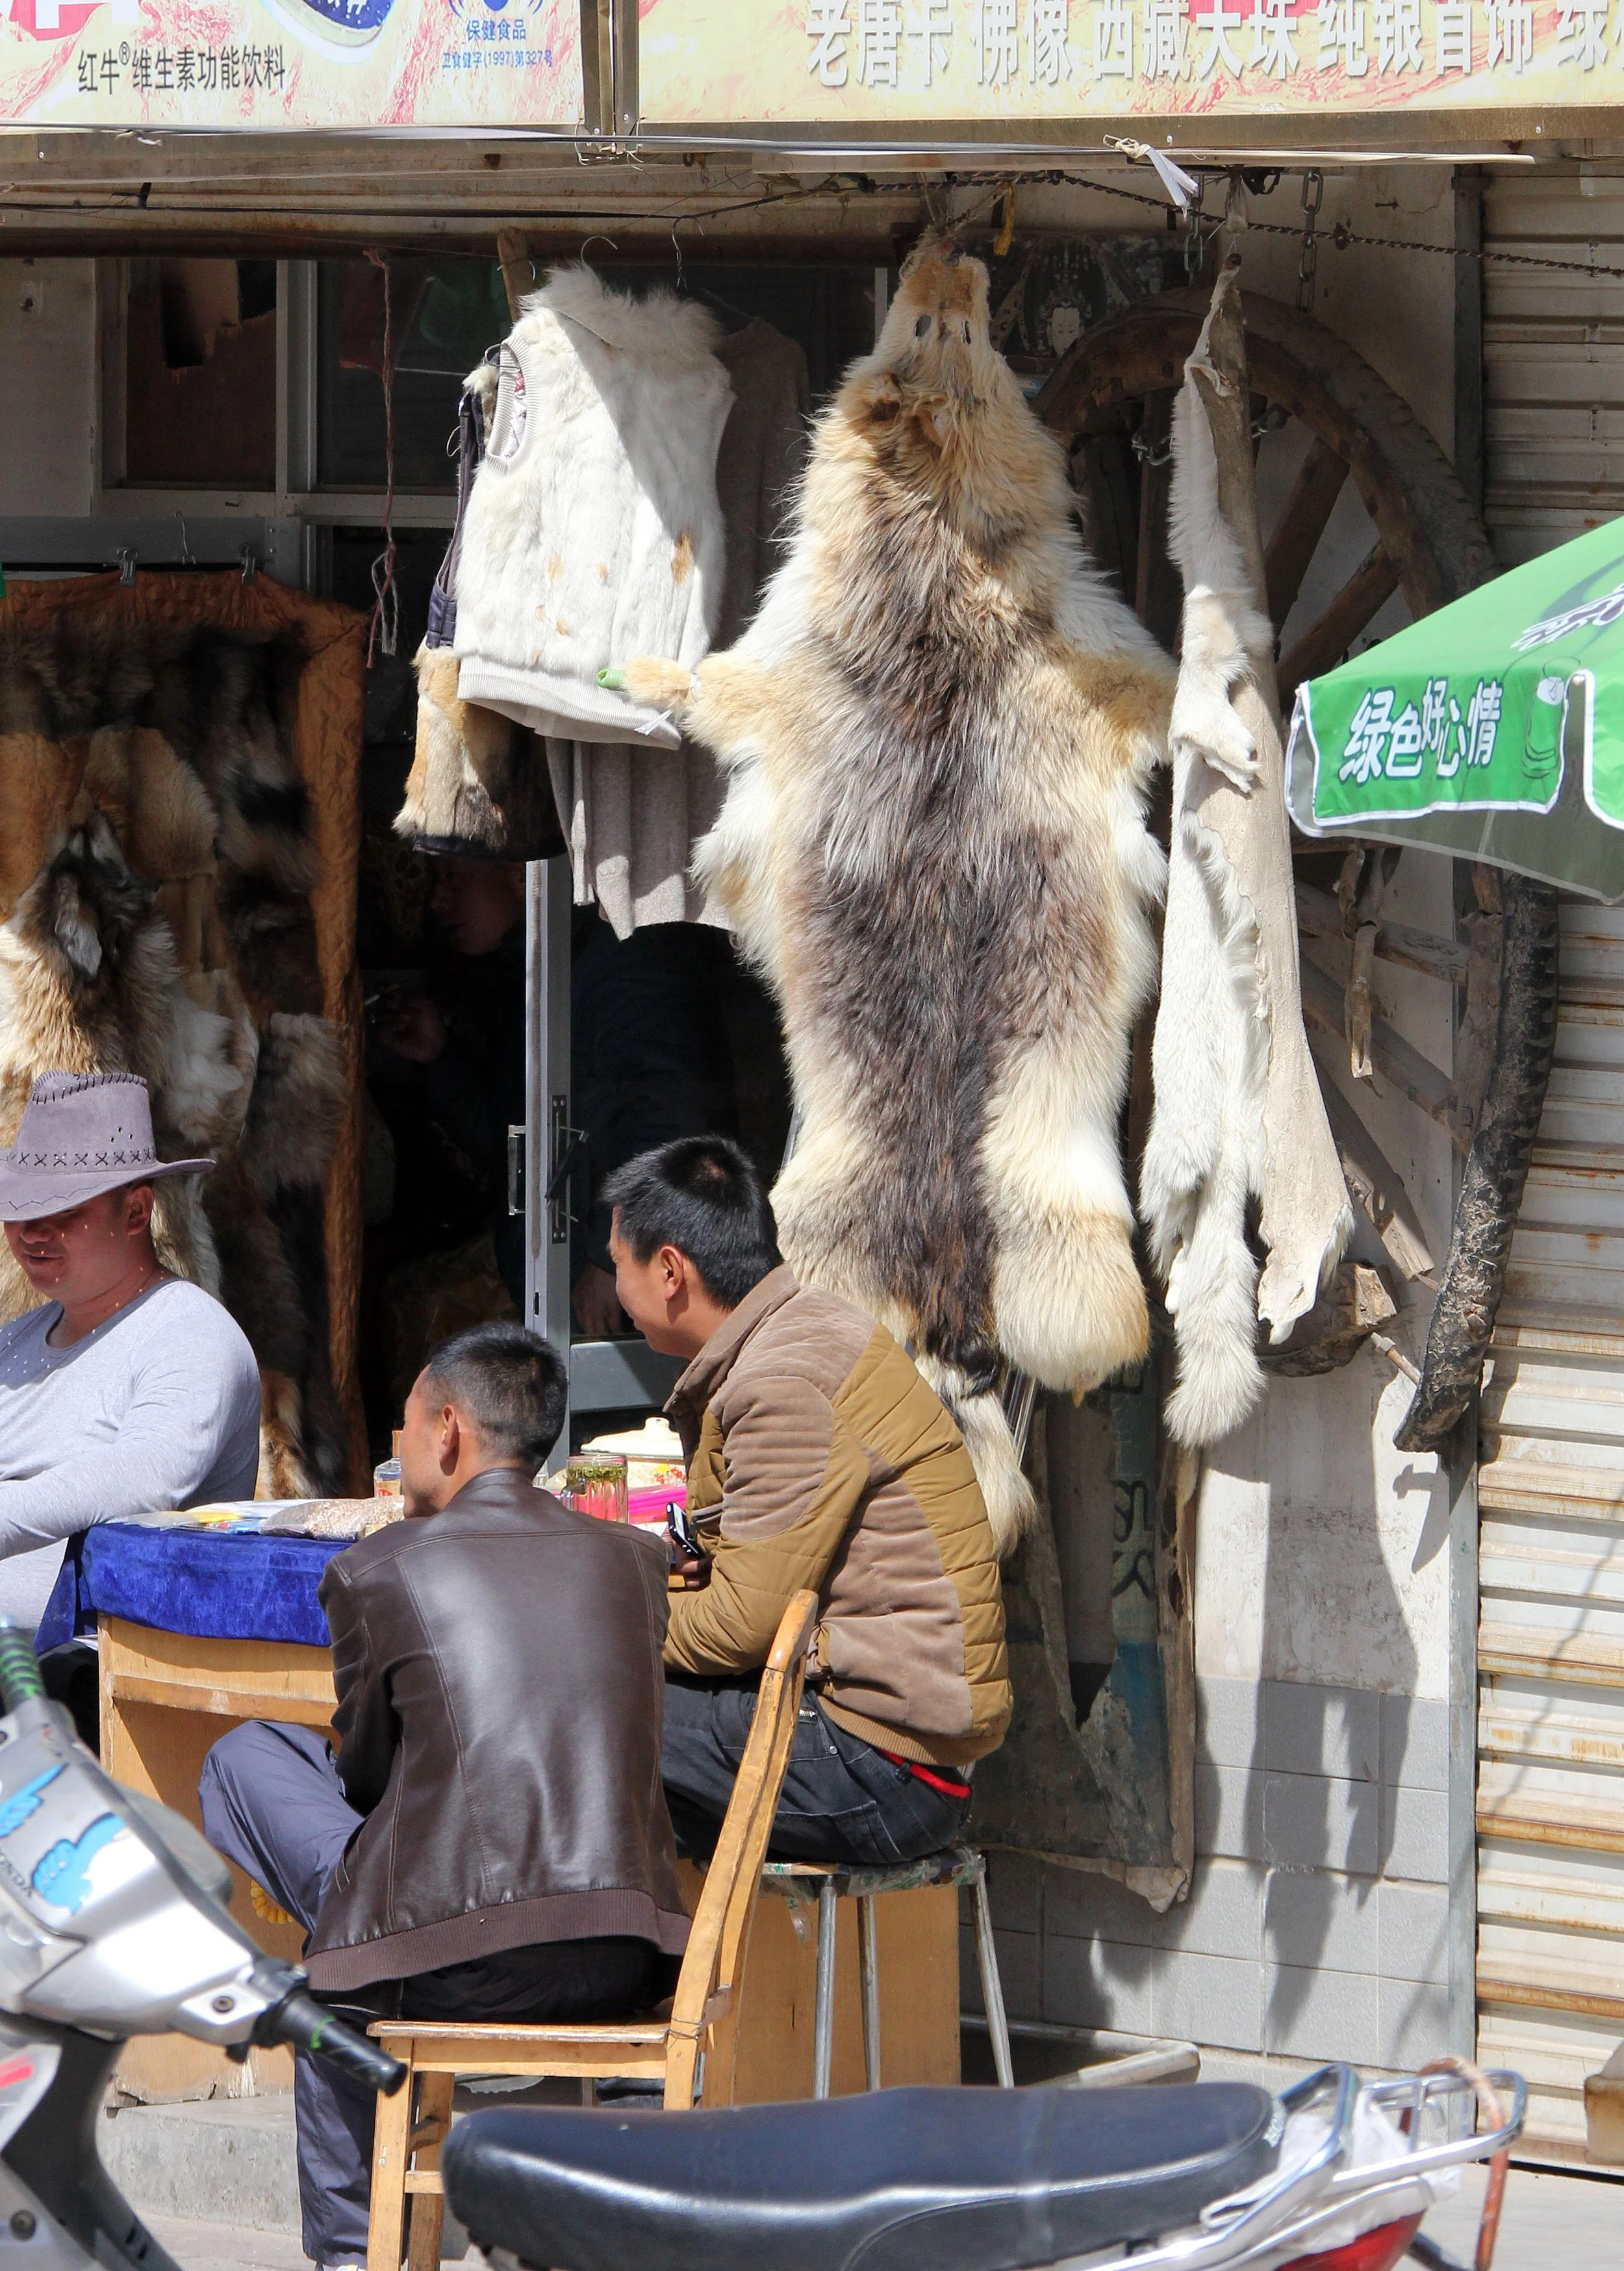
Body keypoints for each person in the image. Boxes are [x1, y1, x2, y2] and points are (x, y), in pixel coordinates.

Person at [197, 1324, 688, 2271]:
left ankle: (354, 2256)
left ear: (450, 1431)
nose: (400, 1443)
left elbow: (369, 1782)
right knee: (291, 1784)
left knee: (305, 1913)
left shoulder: (379, 1567)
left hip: (457, 1960)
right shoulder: (634, 1559)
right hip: (629, 1955)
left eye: (407, 1424)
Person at [603, 1137, 1012, 1868]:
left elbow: (736, 1627)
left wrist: (594, 1615)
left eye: (616, 1266)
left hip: (882, 1766)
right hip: (885, 1745)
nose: (613, 1290)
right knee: (614, 1789)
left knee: (573, 1701)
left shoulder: (783, 1380)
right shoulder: (800, 1329)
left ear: (669, 1271)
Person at [0, 1071, 261, 1634]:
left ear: (137, 1212)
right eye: (19, 1208)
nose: (32, 1231)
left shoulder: (191, 1334)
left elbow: (145, 1475)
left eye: (64, 1211)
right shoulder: (12, 1342)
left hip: (100, 1668)